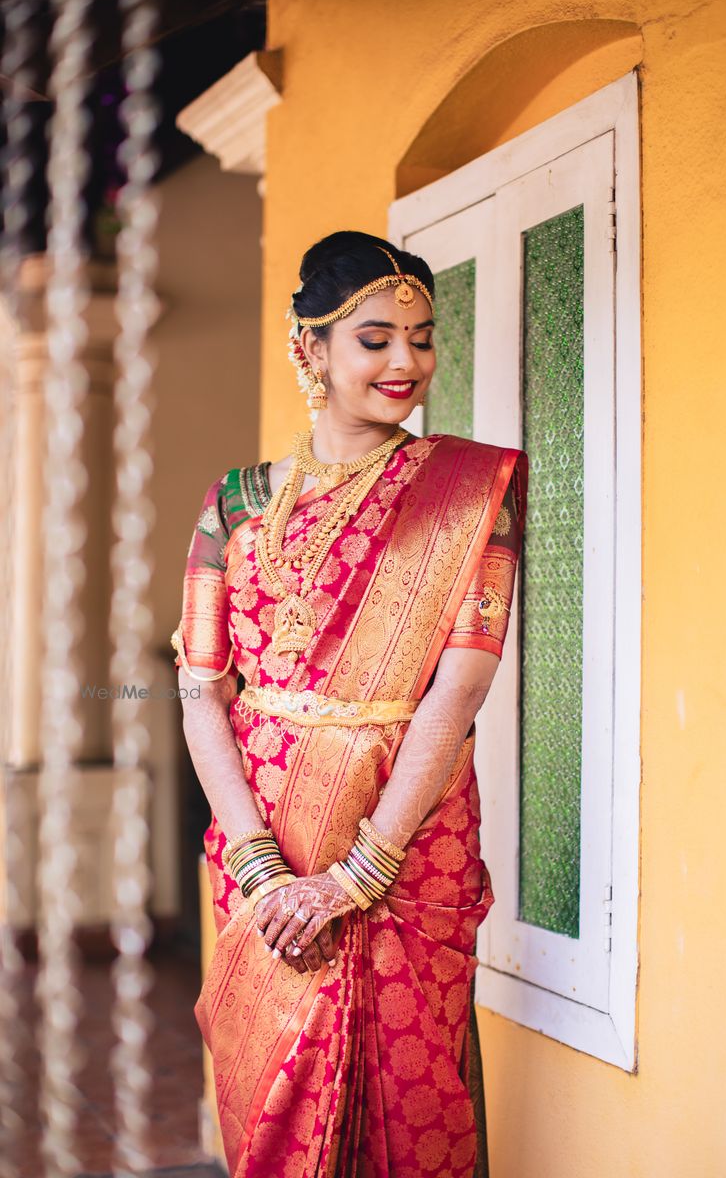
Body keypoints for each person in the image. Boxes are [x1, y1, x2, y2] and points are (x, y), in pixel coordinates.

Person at [172, 230, 527, 1178]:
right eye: (375, 338)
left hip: (408, 847)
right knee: (270, 1107)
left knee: (413, 1108)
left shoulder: (468, 494)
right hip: (264, 847)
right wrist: (263, 871)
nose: (407, 361)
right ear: (311, 348)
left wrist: (356, 876)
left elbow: (460, 687)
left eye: (423, 335)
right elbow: (203, 691)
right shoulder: (234, 507)